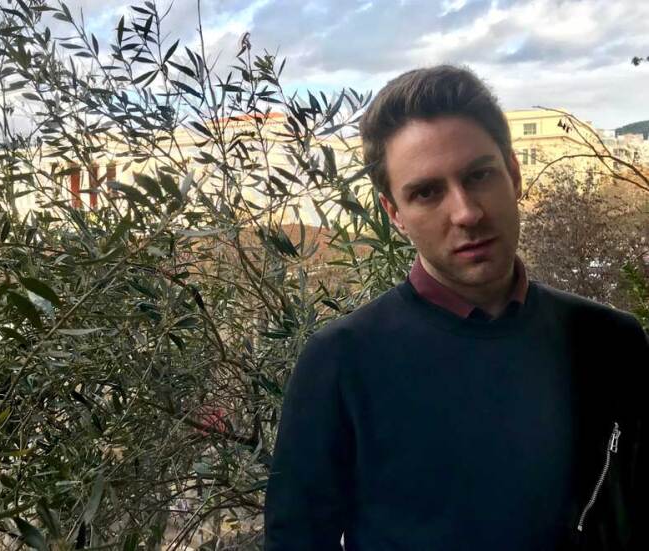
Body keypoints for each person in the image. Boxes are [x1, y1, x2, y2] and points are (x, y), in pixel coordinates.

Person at [264, 65, 648, 550]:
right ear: (394, 214)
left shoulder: (611, 342)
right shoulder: (341, 362)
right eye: (427, 192)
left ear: (514, 175)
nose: (466, 212)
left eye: (479, 175)